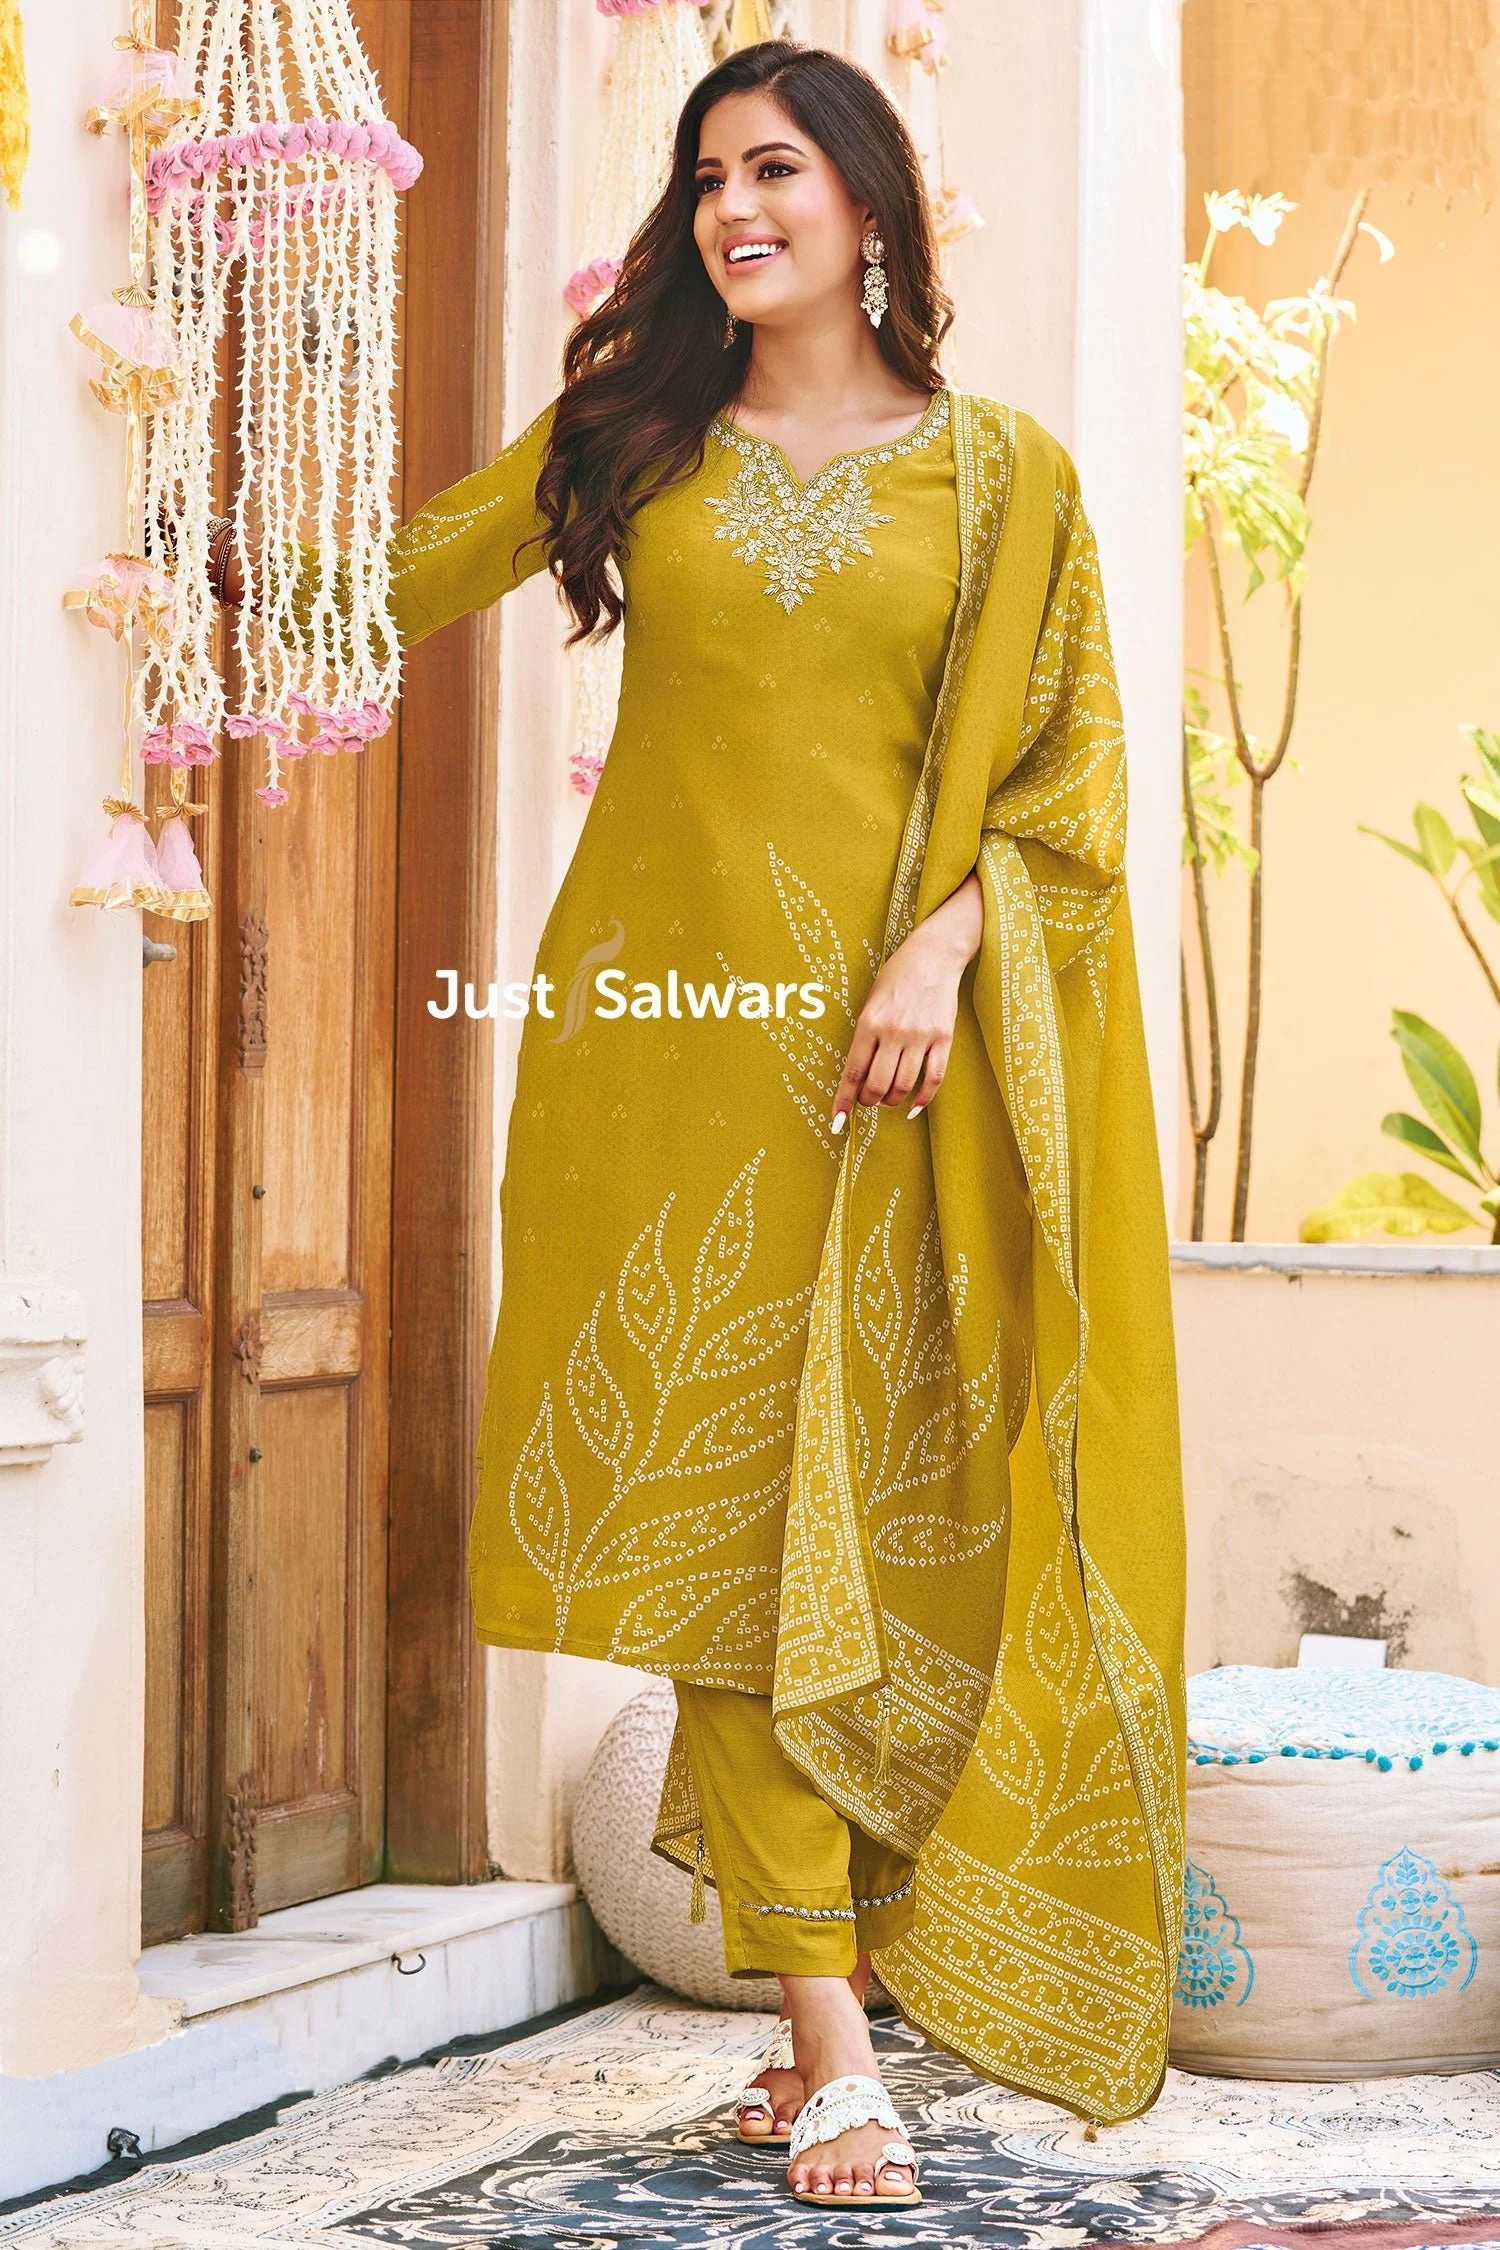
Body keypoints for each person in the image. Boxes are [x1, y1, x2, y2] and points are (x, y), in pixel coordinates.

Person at [223, 38, 1186, 2213]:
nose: (734, 208)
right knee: (724, 1525)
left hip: (903, 1067)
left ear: (868, 202)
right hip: (666, 1060)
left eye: (774, 170)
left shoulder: (1006, 482)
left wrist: (943, 953)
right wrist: (192, 492)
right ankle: (833, 2044)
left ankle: (836, 1965)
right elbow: (372, 592)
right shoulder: (633, 437)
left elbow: (1072, 784)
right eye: (704, 178)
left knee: (908, 1521)